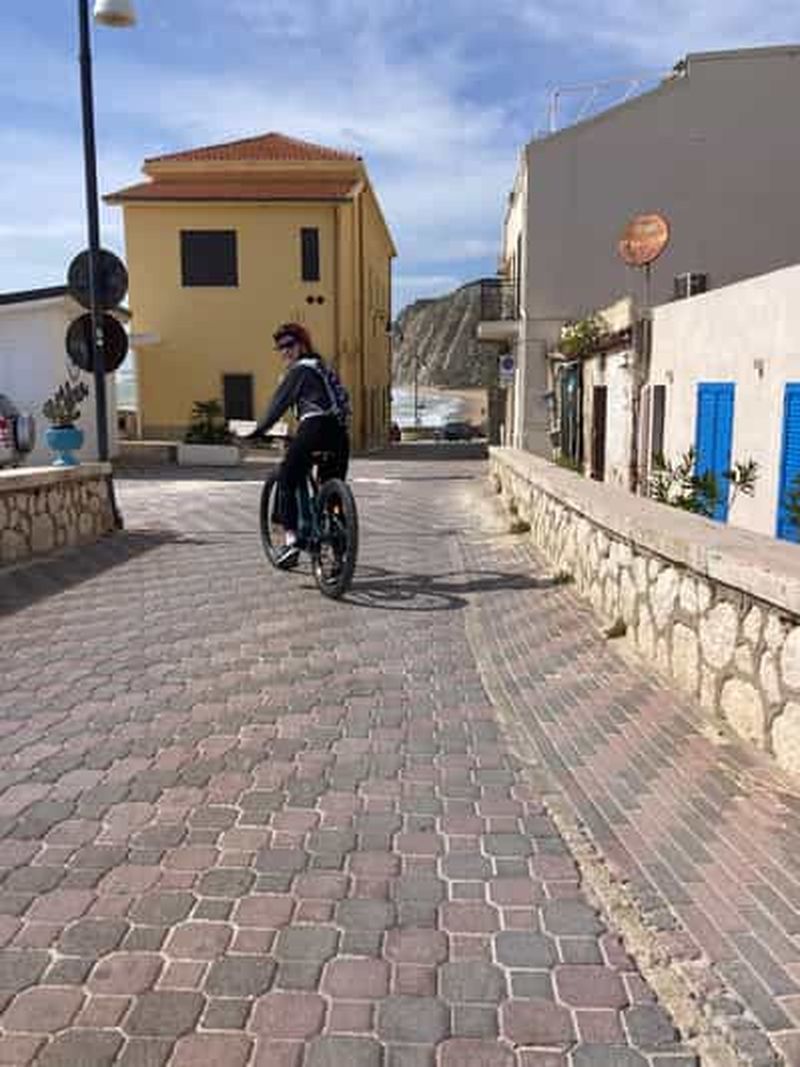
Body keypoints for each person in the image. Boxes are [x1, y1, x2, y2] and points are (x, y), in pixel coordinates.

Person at [245, 323, 350, 569]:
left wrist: (257, 432)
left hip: (314, 429)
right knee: (332, 495)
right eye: (280, 348)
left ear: (302, 345)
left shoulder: (299, 371)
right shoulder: (323, 369)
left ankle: (292, 541)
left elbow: (277, 407)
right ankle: (340, 555)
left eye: (289, 345)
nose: (284, 351)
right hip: (339, 434)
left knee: (286, 477)